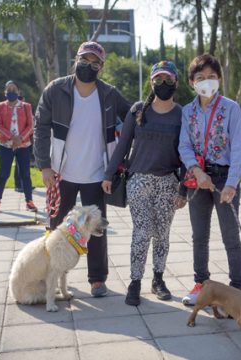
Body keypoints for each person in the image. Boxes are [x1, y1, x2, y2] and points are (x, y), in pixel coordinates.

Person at [34, 41, 130, 298]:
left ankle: (97, 279)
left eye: (95, 62)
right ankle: (51, 275)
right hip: (61, 172)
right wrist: (44, 166)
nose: (89, 65)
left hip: (97, 175)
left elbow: (132, 115)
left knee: (96, 228)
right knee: (57, 229)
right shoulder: (56, 90)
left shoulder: (109, 94)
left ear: (102, 66)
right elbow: (40, 127)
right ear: (75, 60)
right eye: (84, 60)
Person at [102, 60, 187, 306]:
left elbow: (185, 154)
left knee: (162, 234)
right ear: (151, 83)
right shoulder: (138, 111)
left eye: (168, 80)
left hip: (168, 183)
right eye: (158, 79)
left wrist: (183, 189)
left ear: (176, 83)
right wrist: (109, 175)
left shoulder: (181, 115)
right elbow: (123, 145)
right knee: (142, 232)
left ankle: (158, 279)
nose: (163, 84)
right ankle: (135, 281)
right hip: (139, 180)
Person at [178, 54, 241, 305]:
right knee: (199, 236)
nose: (206, 81)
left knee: (230, 235)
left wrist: (231, 184)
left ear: (219, 79)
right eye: (200, 77)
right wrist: (197, 171)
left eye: (212, 77)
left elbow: (238, 149)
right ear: (191, 83)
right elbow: (184, 145)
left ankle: (237, 288)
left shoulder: (231, 108)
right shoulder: (188, 111)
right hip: (199, 178)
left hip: (224, 177)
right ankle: (201, 284)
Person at [0, 81, 37, 213]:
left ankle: (29, 202)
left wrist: (20, 138)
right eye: (8, 89)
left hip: (23, 145)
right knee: (3, 174)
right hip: (6, 145)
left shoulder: (26, 106)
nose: (11, 91)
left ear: (18, 92)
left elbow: (30, 125)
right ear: (5, 92)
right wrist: (12, 137)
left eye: (14, 89)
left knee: (25, 174)